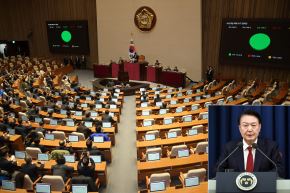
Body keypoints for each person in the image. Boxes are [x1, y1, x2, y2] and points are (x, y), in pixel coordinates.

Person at [215, 110, 285, 178]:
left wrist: (256, 179)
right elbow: (217, 170)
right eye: (245, 125)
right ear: (239, 128)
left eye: (253, 125)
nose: (249, 129)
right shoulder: (229, 147)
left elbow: (280, 170)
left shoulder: (271, 146)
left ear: (260, 127)